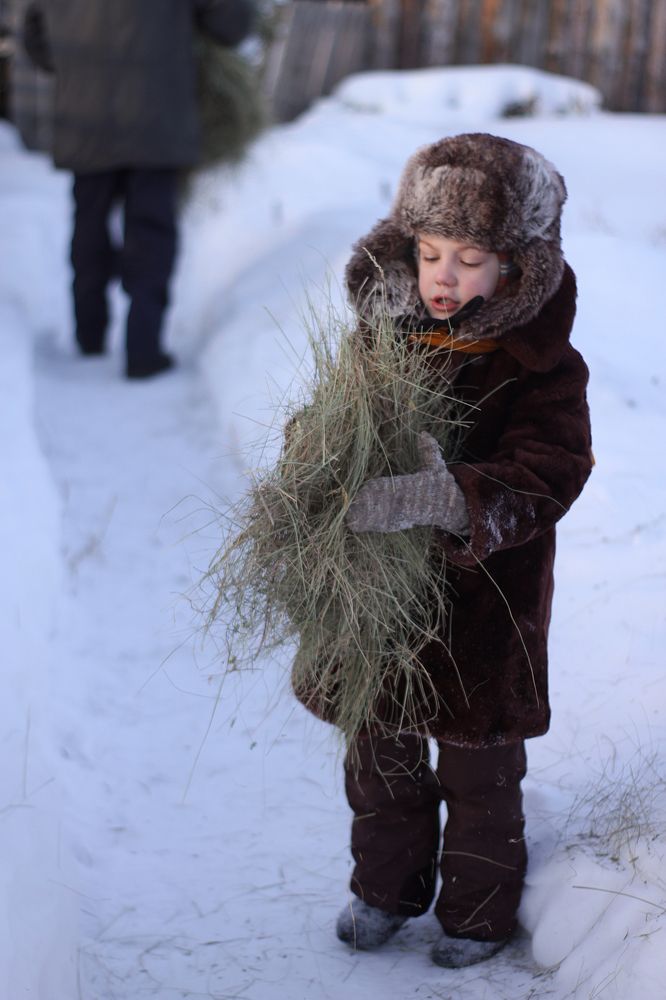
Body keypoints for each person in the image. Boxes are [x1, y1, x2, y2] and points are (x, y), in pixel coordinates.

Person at [295, 133, 593, 967]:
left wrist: (454, 498)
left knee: (480, 773)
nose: (445, 277)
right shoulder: (382, 340)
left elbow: (552, 470)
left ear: (516, 267)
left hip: (483, 604)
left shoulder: (542, 368)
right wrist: (312, 469)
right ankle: (385, 891)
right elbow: (321, 427)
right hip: (380, 601)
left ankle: (478, 911)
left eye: (470, 258)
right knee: (379, 753)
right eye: (429, 254)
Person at [22, 0, 254, 378]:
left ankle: (89, 336)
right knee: (151, 234)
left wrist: (76, 69)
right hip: (157, 124)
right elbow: (232, 26)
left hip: (85, 123)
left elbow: (35, 36)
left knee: (89, 225)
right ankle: (143, 351)